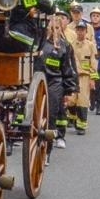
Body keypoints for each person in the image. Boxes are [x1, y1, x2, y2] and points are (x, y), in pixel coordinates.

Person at [39, 13, 77, 148]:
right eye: (51, 27)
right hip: (38, 80)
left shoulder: (65, 46)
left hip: (55, 82)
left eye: (57, 27)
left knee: (53, 112)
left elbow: (68, 69)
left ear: (61, 28)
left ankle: (56, 139)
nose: (54, 30)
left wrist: (69, 90)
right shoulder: (39, 43)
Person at [67, 15, 97, 134]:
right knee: (71, 100)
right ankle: (73, 118)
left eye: (82, 30)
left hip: (85, 76)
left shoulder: (90, 45)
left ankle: (81, 126)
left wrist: (93, 79)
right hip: (73, 76)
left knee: (83, 100)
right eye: (78, 30)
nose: (80, 32)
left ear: (86, 31)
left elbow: (94, 62)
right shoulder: (71, 45)